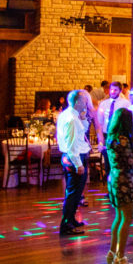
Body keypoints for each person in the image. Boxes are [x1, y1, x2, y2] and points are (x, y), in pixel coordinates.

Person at [105, 108, 133, 264]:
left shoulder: (111, 138)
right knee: (126, 218)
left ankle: (112, 253)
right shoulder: (123, 140)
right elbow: (131, 163)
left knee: (118, 217)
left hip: (114, 178)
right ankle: (120, 258)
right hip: (124, 180)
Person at [56, 88, 93, 236]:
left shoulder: (70, 115)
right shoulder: (71, 119)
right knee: (73, 193)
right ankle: (66, 225)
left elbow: (81, 132)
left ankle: (71, 220)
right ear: (77, 102)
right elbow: (71, 144)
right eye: (84, 100)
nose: (87, 102)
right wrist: (78, 164)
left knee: (75, 193)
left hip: (72, 156)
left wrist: (83, 118)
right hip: (74, 157)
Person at [95, 82, 129, 151]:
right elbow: (100, 123)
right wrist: (100, 140)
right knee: (106, 155)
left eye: (115, 90)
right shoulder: (104, 104)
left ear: (120, 91)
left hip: (119, 135)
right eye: (111, 89)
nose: (113, 92)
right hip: (106, 134)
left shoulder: (126, 103)